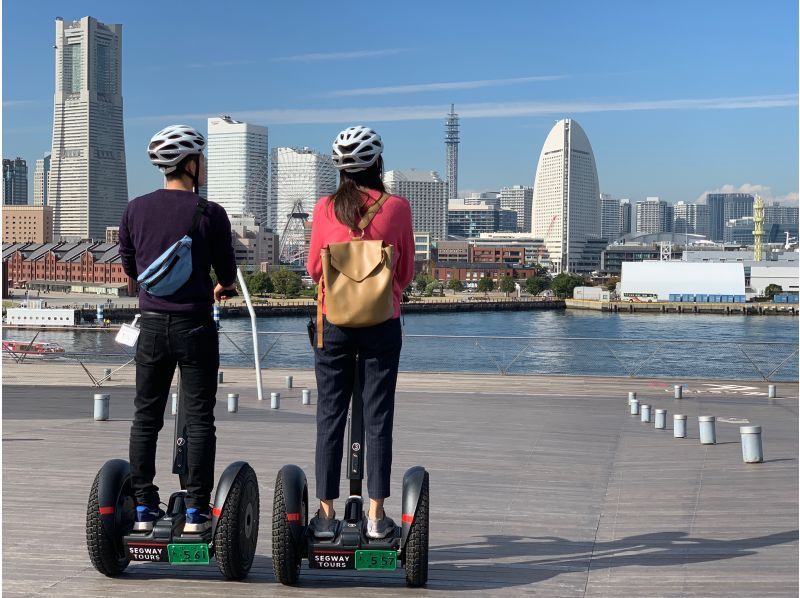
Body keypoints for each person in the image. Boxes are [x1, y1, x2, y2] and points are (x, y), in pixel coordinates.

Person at [118, 124, 237, 533]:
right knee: (200, 417)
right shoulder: (210, 212)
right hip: (195, 326)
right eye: (200, 158)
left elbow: (131, 267)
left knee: (145, 417)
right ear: (190, 164)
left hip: (151, 327)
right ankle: (196, 511)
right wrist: (222, 286)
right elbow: (226, 271)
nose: (203, 164)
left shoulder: (135, 209)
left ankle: (143, 507)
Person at [306, 126, 415, 539]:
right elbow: (404, 273)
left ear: (341, 170)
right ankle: (375, 515)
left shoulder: (324, 208)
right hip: (382, 323)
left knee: (329, 414)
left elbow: (314, 270)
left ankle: (325, 515)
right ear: (378, 163)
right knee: (378, 416)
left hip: (332, 322)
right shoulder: (397, 208)